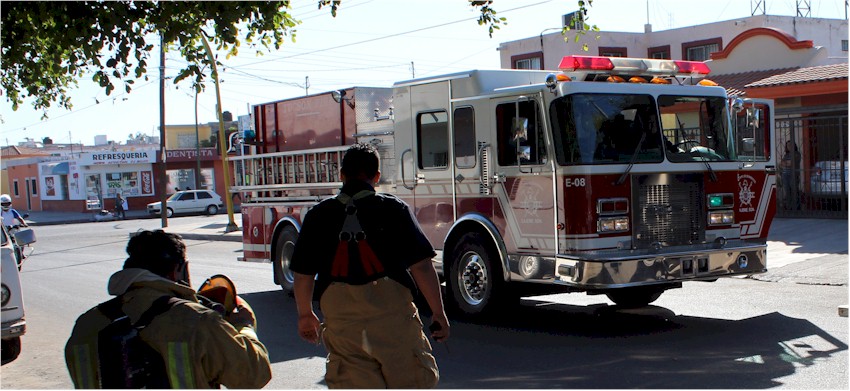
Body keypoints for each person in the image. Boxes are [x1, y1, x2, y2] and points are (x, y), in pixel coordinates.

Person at [291, 143, 449, 389]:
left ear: (342, 176)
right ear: (376, 177)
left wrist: (304, 315)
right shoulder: (394, 209)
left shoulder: (317, 215)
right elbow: (422, 267)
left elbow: (303, 275)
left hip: (342, 319)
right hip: (392, 316)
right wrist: (438, 313)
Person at [65, 230, 272, 389]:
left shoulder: (88, 325)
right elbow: (253, 375)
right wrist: (245, 326)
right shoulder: (197, 320)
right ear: (177, 269)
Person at [780, 140, 802, 210]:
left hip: (793, 175)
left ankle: (796, 207)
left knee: (794, 191)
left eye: (790, 145)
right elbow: (781, 163)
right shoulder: (786, 155)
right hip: (785, 175)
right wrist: (787, 163)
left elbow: (791, 163)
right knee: (787, 192)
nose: (789, 146)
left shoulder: (797, 154)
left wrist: (786, 163)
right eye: (788, 145)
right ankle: (789, 207)